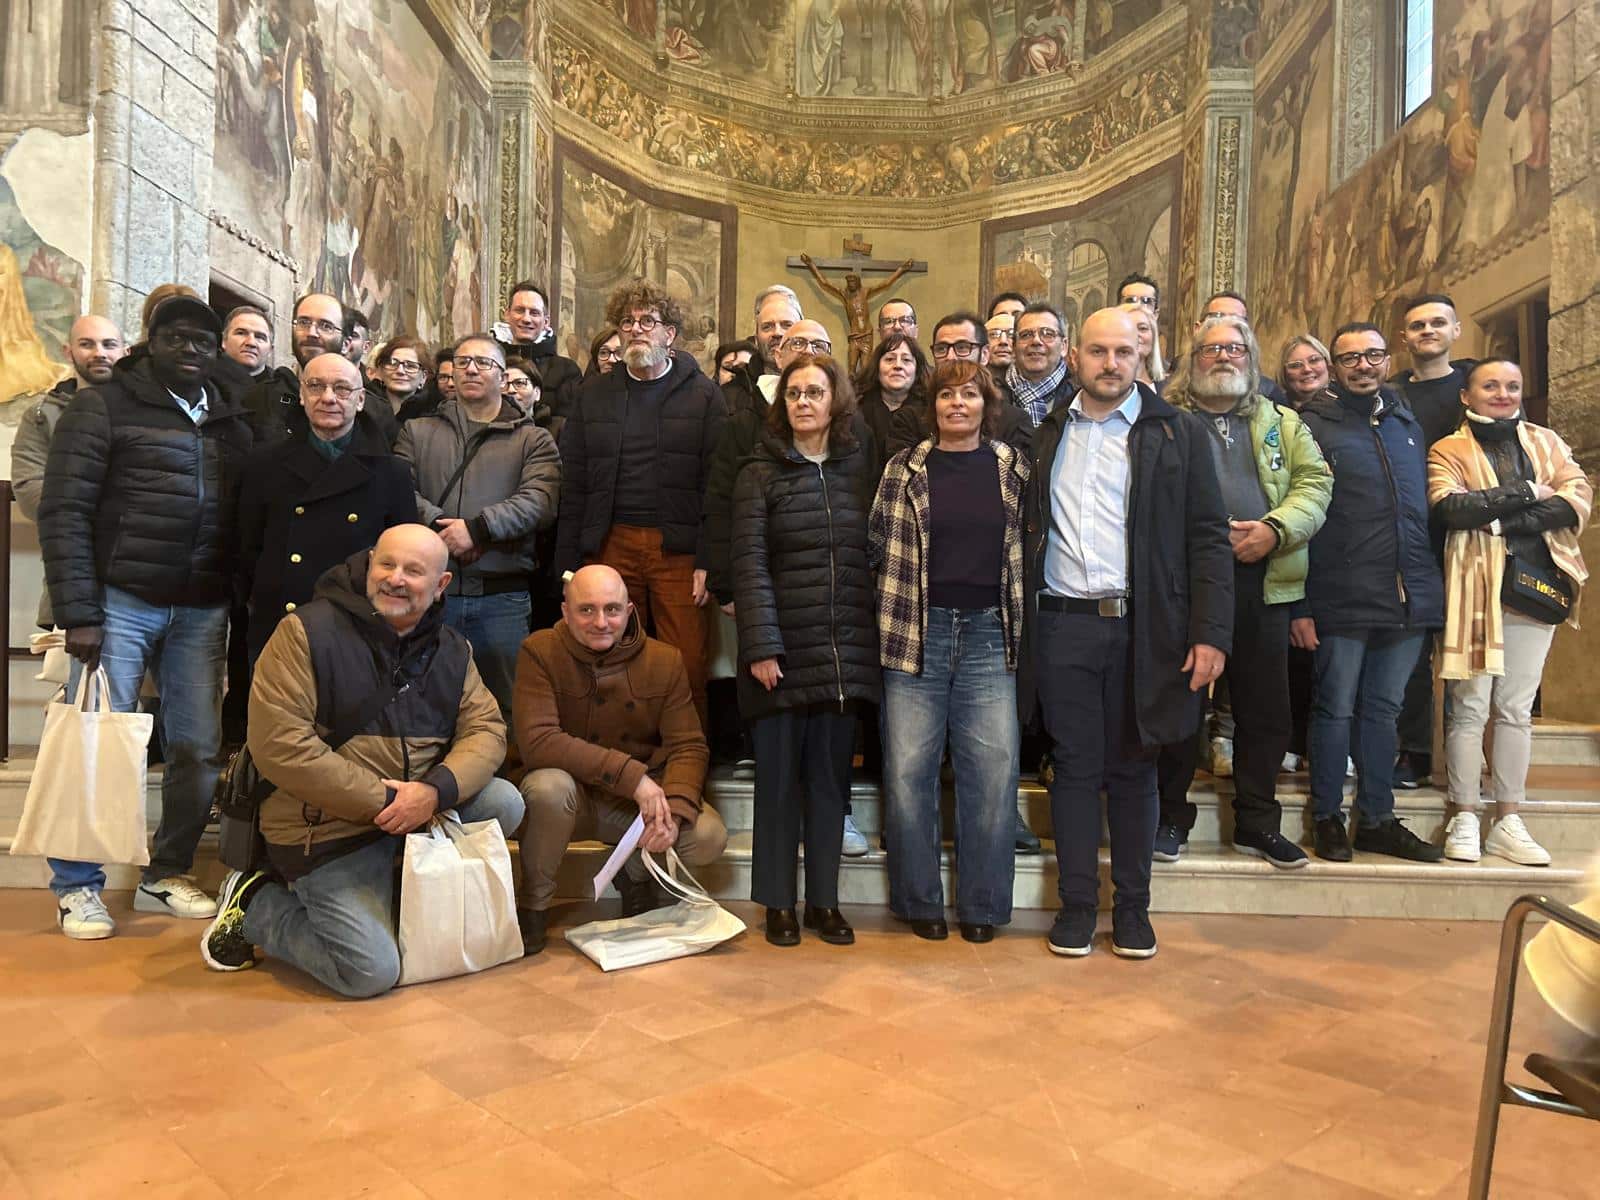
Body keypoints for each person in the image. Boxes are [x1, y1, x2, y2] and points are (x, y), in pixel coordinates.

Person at [199, 527, 524, 997]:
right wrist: (388, 801)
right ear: (370, 564)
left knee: (504, 802)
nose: (395, 579)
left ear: (441, 585)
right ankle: (255, 903)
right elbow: (281, 746)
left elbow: (488, 730)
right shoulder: (305, 633)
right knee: (368, 972)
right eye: (386, 564)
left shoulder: (452, 649)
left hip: (411, 815)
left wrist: (434, 792)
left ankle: (391, 891)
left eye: (414, 571)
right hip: (324, 828)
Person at [1017, 307, 1233, 960]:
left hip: (1147, 628)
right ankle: (1078, 907)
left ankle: (1133, 910)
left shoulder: (1177, 432)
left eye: (1122, 352)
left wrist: (1210, 632)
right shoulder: (1047, 433)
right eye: (1098, 351)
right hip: (1063, 626)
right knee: (1074, 770)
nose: (1110, 363)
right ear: (1075, 357)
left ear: (1142, 356)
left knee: (1137, 769)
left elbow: (1209, 537)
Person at [38, 294, 255, 939]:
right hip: (119, 601)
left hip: (201, 606)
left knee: (196, 748)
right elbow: (64, 511)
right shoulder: (102, 406)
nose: (190, 350)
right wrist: (79, 611)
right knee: (97, 741)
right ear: (149, 343)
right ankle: (77, 885)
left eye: (202, 342)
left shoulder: (230, 419)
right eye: (176, 338)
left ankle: (166, 872)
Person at [1155, 315, 1332, 868]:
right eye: (1211, 349)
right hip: (1187, 583)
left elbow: (1316, 482)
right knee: (1180, 703)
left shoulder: (1282, 421)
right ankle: (1169, 816)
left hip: (1265, 576)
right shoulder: (1165, 421)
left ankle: (1257, 822)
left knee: (1265, 710)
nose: (1223, 357)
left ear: (1251, 360)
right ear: (1192, 361)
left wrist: (1274, 529)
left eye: (1235, 349)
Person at [871, 359, 1028, 942]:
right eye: (946, 395)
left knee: (992, 772)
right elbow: (876, 545)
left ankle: (983, 906)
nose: (957, 403)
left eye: (969, 394)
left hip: (991, 634)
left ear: (987, 405)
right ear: (932, 406)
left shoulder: (1013, 468)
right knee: (908, 770)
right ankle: (919, 902)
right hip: (916, 633)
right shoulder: (903, 469)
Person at [732, 353, 878, 946]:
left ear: (835, 400)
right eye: (793, 393)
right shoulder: (758, 473)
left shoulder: (858, 468)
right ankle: (777, 903)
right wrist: (762, 646)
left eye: (814, 392)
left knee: (828, 786)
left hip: (843, 654)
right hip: (781, 655)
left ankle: (824, 901)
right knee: (777, 786)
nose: (803, 403)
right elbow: (749, 565)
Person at [512, 565, 728, 953]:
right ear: (565, 612)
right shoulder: (539, 651)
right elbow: (539, 742)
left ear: (629, 611)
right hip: (571, 800)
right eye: (587, 610)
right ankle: (533, 904)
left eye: (612, 610)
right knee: (546, 787)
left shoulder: (664, 660)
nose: (601, 622)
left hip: (631, 808)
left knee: (708, 835)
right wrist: (634, 778)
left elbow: (689, 746)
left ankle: (635, 874)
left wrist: (674, 811)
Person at [1429, 359, 1590, 865]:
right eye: (1491, 385)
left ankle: (1508, 819)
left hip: (1535, 586)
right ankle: (1464, 814)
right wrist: (1526, 493)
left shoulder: (1547, 442)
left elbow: (1575, 499)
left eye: (1513, 386)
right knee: (1469, 706)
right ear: (1467, 395)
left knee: (1516, 709)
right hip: (1474, 587)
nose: (1503, 394)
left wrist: (1499, 520)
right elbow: (1452, 509)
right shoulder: (1447, 448)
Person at [1296, 323, 1445, 863]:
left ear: (1388, 358)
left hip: (1408, 593)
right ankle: (1327, 817)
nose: (1363, 365)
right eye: (1350, 357)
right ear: (1334, 366)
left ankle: (1378, 819)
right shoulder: (1312, 424)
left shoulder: (1405, 420)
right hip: (1340, 592)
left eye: (1373, 355)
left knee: (1384, 710)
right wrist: (1301, 605)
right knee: (1335, 707)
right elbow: (1302, 516)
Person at [556, 280, 726, 726]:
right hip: (611, 542)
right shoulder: (593, 394)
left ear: (670, 334)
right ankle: (616, 756)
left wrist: (709, 559)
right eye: (627, 322)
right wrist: (569, 565)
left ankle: (686, 759)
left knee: (685, 661)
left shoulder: (705, 395)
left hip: (679, 550)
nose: (635, 330)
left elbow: (718, 485)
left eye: (647, 321)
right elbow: (574, 484)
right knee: (609, 655)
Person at [396, 334, 561, 718]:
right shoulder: (417, 432)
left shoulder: (533, 439)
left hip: (501, 598)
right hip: (431, 595)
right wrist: (443, 529)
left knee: (505, 710)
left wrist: (478, 529)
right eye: (463, 362)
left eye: (483, 363)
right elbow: (399, 491)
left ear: (503, 377)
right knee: (423, 707)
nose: (471, 369)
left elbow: (539, 500)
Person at [235, 352, 416, 661]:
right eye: (316, 386)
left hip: (359, 629)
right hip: (279, 626)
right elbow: (246, 549)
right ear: (302, 396)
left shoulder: (391, 473)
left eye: (342, 388)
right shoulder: (264, 464)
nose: (328, 398)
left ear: (360, 400)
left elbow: (403, 557)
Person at [1392, 293, 1477, 790]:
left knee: (1471, 649)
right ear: (1404, 337)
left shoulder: (1475, 387)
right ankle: (1416, 751)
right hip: (1413, 537)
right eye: (1418, 325)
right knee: (1414, 653)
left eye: (1438, 323)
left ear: (1455, 330)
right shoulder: (1392, 395)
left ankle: (1470, 757)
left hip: (1470, 536)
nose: (1428, 331)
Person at [13, 314, 125, 630]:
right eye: (87, 344)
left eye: (109, 345)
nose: (99, 353)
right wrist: (109, 510)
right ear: (68, 351)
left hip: (141, 575)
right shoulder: (41, 416)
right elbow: (29, 489)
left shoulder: (147, 412)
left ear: (125, 352)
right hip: (74, 568)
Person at [244, 292, 347, 445]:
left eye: (326, 326)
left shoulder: (370, 412)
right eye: (304, 322)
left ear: (345, 343)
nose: (311, 333)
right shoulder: (259, 398)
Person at [498, 280, 582, 417]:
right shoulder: (491, 365)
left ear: (546, 322)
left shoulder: (567, 371)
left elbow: (570, 422)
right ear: (507, 315)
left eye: (534, 313)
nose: (526, 319)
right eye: (519, 310)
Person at [1196, 291, 1289, 405]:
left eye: (1237, 320)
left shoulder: (1269, 392)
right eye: (1218, 318)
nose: (1227, 325)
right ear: (1197, 329)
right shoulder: (1174, 387)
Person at [856, 332, 931, 474]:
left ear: (917, 370)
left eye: (906, 360)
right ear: (877, 367)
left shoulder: (930, 414)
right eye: (890, 359)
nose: (898, 366)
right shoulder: (857, 410)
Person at [996, 302, 1075, 428]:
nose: (1036, 341)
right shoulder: (991, 395)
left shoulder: (1080, 397)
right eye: (1026, 335)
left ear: (1064, 346)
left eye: (1048, 334)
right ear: (1014, 347)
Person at [368, 336, 433, 431]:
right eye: (392, 363)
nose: (400, 371)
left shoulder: (432, 416)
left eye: (410, 366)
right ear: (380, 370)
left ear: (423, 377)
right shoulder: (364, 407)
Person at [1120, 301, 1166, 389]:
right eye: (1128, 327)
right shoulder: (1105, 388)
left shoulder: (1170, 388)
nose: (1136, 334)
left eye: (1142, 328)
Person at [1279, 333, 1332, 409]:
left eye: (1314, 360)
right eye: (1296, 365)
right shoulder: (1274, 411)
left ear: (1327, 363)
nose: (1307, 369)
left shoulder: (1346, 404)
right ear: (1284, 373)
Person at [220, 305, 273, 381]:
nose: (251, 342)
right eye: (241, 333)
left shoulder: (284, 386)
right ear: (224, 340)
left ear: (270, 350)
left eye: (260, 337)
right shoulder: (205, 380)